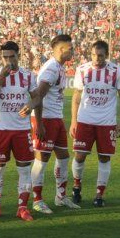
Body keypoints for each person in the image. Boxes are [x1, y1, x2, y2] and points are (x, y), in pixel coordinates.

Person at [0, 41, 38, 222]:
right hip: (1, 129)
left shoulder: (28, 75)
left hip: (22, 130)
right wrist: (1, 77)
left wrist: (31, 105)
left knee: (24, 170)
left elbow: (37, 97)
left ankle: (22, 208)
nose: (8, 60)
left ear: (18, 55)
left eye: (11, 57)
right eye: (5, 57)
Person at [69, 40, 120, 207]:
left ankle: (99, 195)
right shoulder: (82, 70)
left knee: (104, 157)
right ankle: (76, 187)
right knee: (79, 155)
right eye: (94, 55)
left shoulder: (117, 71)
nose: (97, 59)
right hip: (84, 120)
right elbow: (76, 97)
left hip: (107, 122)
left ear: (107, 55)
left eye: (100, 56)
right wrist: (73, 121)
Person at [28, 34, 79, 214]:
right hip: (46, 119)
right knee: (42, 159)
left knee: (64, 157)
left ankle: (61, 197)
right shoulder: (51, 69)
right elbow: (38, 96)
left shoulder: (60, 67)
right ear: (60, 50)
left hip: (56, 119)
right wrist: (39, 123)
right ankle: (37, 200)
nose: (73, 51)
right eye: (70, 49)